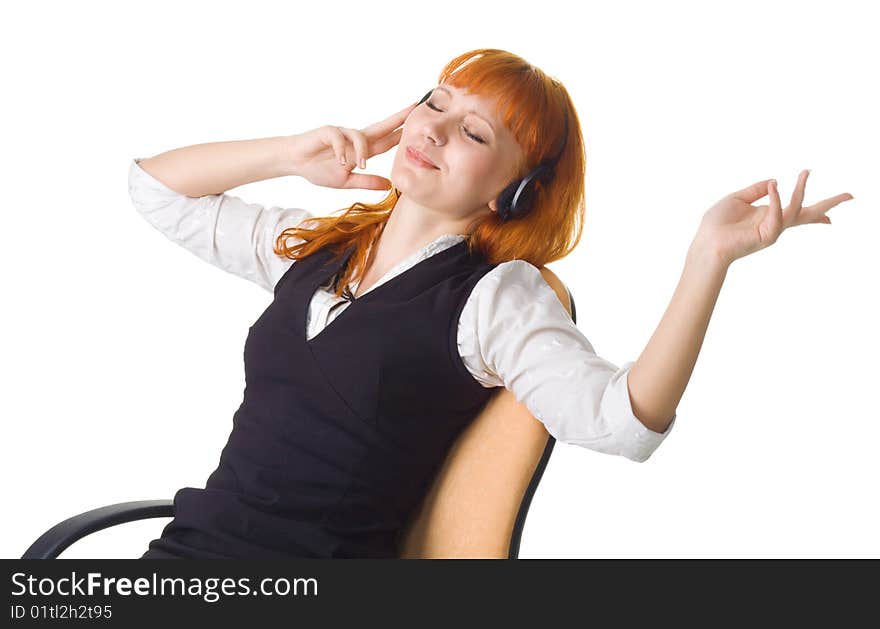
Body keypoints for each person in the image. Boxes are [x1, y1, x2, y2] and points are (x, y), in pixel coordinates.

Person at [130, 48, 852, 559]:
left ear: (518, 190)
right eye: (435, 102)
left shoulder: (491, 299)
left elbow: (623, 422)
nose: (434, 129)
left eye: (474, 132)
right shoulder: (316, 245)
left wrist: (706, 261)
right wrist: (294, 152)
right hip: (188, 561)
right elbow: (155, 189)